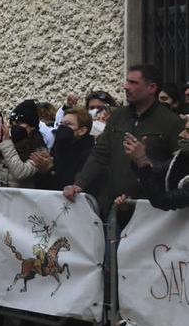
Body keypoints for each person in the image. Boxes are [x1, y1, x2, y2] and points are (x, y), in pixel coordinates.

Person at [64, 64, 182, 216]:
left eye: (133, 83)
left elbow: (178, 163)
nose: (125, 86)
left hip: (149, 212)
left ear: (151, 88)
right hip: (113, 208)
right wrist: (79, 184)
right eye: (127, 81)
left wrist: (147, 163)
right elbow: (99, 154)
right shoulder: (118, 116)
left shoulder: (170, 121)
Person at [0, 100, 46, 188]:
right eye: (12, 124)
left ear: (32, 126)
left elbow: (21, 172)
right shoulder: (7, 145)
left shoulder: (39, 149)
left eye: (19, 123)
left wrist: (6, 143)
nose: (15, 127)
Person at [35, 107, 94, 190]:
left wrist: (51, 170)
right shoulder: (58, 147)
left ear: (82, 131)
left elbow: (74, 184)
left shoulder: (90, 154)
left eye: (67, 124)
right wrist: (43, 170)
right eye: (60, 124)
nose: (61, 128)